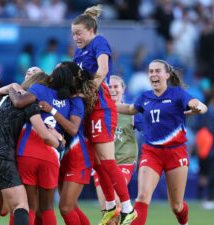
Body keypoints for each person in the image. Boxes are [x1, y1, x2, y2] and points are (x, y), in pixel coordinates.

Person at [116, 59, 208, 225]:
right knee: (142, 196)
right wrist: (107, 106)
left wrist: (199, 107)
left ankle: (184, 223)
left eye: (157, 71)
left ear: (167, 74)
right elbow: (130, 109)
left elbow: (197, 104)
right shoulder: (144, 97)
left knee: (176, 206)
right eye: (150, 71)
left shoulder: (177, 94)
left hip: (176, 153)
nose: (153, 74)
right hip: (152, 153)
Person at [71, 4, 136, 225]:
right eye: (73, 34)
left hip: (101, 108)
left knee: (107, 162)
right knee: (97, 163)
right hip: (89, 109)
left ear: (90, 30)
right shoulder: (79, 52)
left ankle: (127, 209)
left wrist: (87, 91)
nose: (75, 37)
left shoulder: (99, 42)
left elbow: (103, 70)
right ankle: (110, 206)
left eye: (78, 33)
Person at [0, 74, 63, 225]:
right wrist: (59, 144)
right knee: (21, 205)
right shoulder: (28, 103)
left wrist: (9, 86)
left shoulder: (3, 97)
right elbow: (44, 135)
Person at [37, 61, 97, 225]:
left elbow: (72, 129)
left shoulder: (76, 101)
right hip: (62, 159)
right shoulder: (55, 95)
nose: (53, 73)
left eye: (58, 70)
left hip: (79, 159)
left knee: (65, 207)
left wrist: (52, 111)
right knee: (71, 206)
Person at [93, 75, 141, 225]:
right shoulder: (98, 111)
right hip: (101, 164)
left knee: (116, 201)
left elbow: (151, 127)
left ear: (123, 89)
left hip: (123, 162)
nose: (113, 90)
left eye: (116, 87)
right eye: (110, 87)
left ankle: (127, 211)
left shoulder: (130, 113)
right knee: (107, 211)